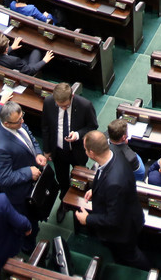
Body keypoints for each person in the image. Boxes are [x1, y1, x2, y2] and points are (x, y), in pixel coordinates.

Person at [74, 131, 150, 269]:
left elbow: (114, 219)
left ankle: (150, 270)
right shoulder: (113, 153)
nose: (84, 152)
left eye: (85, 149)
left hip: (123, 230)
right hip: (127, 210)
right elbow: (104, 175)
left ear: (91, 153)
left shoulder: (114, 183)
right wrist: (95, 190)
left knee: (130, 256)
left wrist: (87, 219)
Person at [0, 101, 47, 253]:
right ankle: (29, 248)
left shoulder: (17, 122)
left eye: (22, 117)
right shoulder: (0, 148)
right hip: (20, 195)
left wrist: (38, 153)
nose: (23, 121)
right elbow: (4, 178)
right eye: (19, 121)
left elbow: (28, 135)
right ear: (7, 124)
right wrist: (29, 172)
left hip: (33, 178)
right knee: (28, 226)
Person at [42, 82, 98, 221]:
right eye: (59, 105)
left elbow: (92, 127)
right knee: (62, 180)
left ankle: (81, 203)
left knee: (81, 179)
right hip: (58, 152)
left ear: (72, 96)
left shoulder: (85, 105)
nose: (62, 108)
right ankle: (65, 202)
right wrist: (47, 150)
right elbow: (46, 127)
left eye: (65, 106)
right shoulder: (49, 102)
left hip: (77, 151)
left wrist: (78, 135)